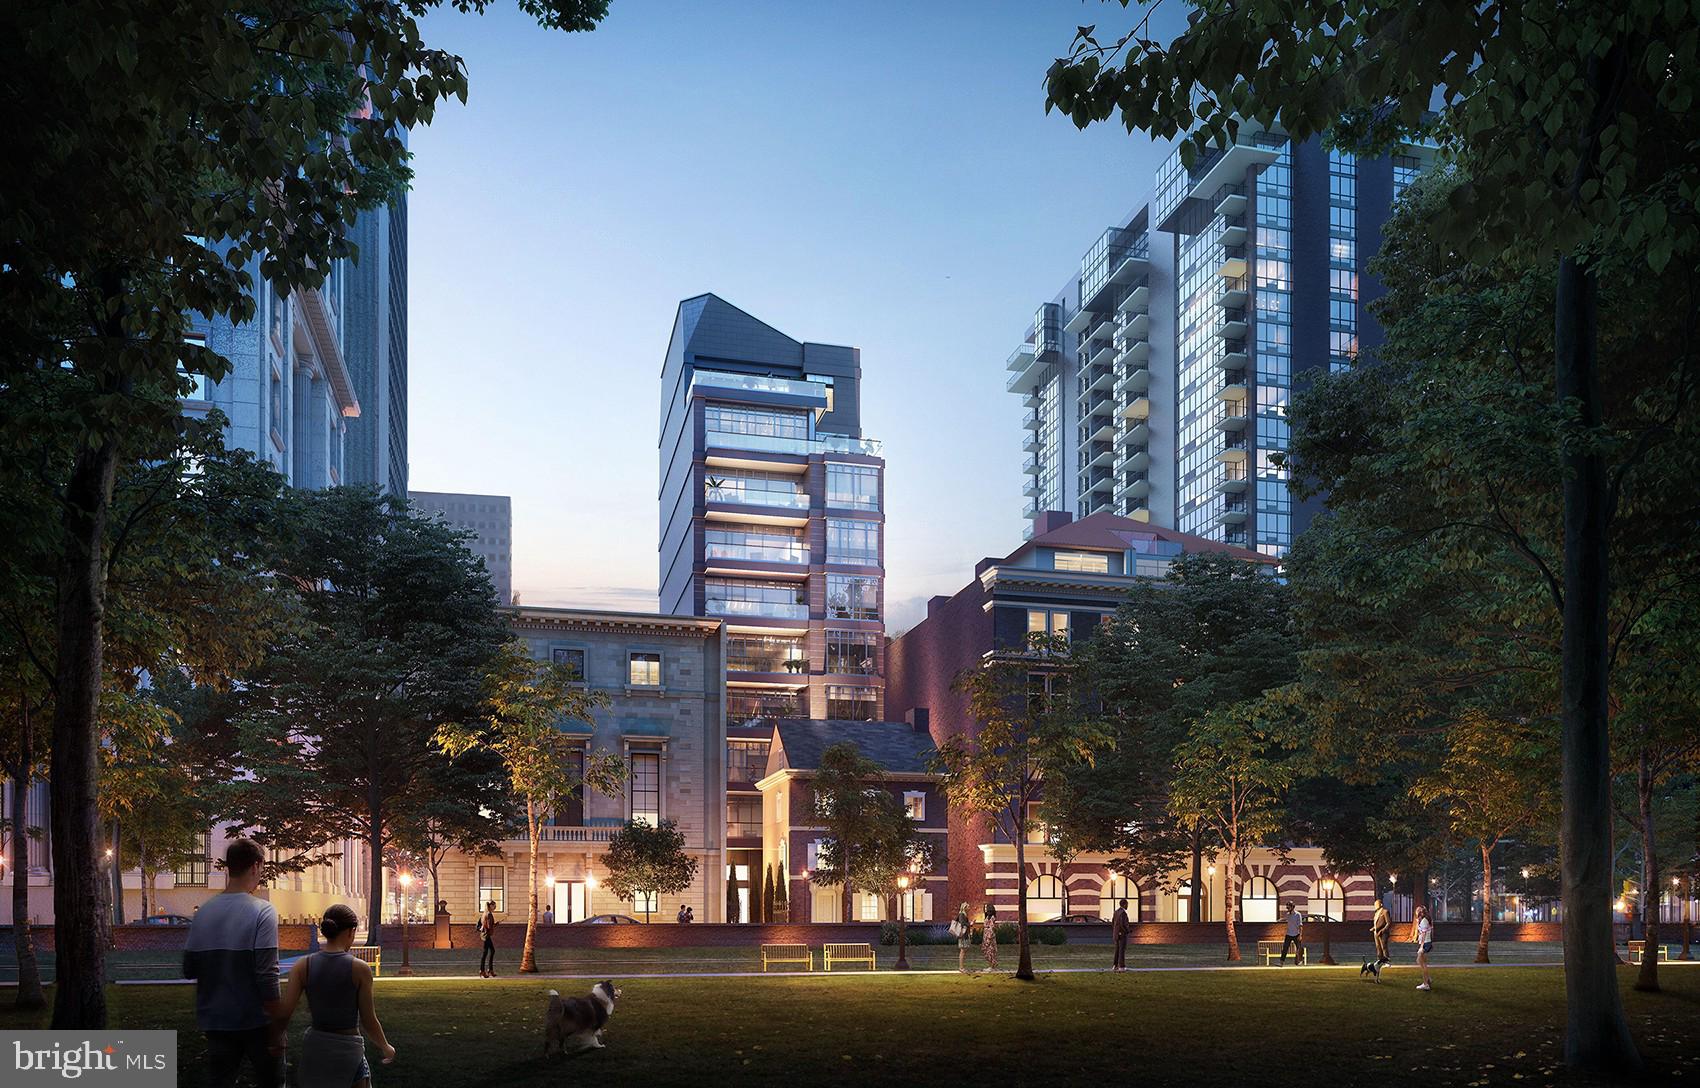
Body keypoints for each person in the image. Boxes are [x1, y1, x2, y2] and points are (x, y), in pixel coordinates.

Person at [183, 838, 284, 1088]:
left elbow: (189, 969)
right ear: (256, 866)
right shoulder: (263, 911)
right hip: (256, 1021)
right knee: (271, 1080)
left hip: (216, 1020)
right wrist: (278, 1026)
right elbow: (267, 974)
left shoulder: (204, 912)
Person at [277, 905, 396, 1088]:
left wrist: (274, 1038)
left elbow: (285, 1012)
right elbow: (368, 1019)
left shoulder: (303, 966)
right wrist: (385, 1046)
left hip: (315, 1047)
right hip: (348, 1049)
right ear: (351, 931)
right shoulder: (359, 969)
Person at [1414, 905, 1434, 990]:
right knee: (1421, 961)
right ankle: (1428, 979)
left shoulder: (1424, 921)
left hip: (1425, 944)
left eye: (1417, 911)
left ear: (1420, 913)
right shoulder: (1424, 920)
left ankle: (1426, 984)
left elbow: (1423, 934)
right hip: (1427, 943)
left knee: (1422, 963)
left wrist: (1421, 947)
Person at [478, 900, 499, 978]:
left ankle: (488, 970)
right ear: (490, 906)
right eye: (494, 905)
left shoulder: (484, 913)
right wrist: (495, 925)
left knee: (490, 951)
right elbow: (489, 926)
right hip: (487, 935)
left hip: (484, 935)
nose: (495, 907)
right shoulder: (489, 914)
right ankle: (483, 970)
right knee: (486, 953)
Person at [1112, 898, 1131, 972]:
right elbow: (1123, 924)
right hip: (1122, 934)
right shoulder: (1123, 913)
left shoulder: (1116, 912)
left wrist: (1116, 931)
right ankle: (1122, 966)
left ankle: (1115, 965)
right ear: (1124, 904)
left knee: (1117, 950)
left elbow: (1113, 923)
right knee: (1121, 950)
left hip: (1116, 934)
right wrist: (1127, 931)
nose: (1127, 906)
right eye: (1127, 904)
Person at [1372, 900, 1392, 966]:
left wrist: (1383, 930)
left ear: (1381, 904)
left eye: (1376, 904)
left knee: (1384, 947)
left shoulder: (1385, 912)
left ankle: (1387, 961)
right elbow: (1376, 923)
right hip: (1376, 933)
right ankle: (1380, 960)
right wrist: (1374, 928)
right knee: (1378, 947)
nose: (1375, 906)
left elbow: (1388, 923)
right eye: (1374, 905)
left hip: (1383, 933)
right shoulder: (1376, 913)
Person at [955, 902, 973, 973]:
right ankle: (961, 967)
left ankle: (962, 967)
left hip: (964, 935)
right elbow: (962, 923)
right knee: (962, 951)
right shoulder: (962, 915)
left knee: (963, 951)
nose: (969, 908)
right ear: (965, 908)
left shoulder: (963, 914)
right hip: (963, 936)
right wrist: (970, 924)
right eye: (968, 907)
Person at [982, 902, 999, 971]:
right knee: (985, 949)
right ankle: (992, 964)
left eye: (986, 907)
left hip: (990, 934)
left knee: (991, 950)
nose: (985, 909)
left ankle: (992, 966)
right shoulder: (987, 916)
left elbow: (992, 927)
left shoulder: (992, 917)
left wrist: (989, 937)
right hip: (985, 934)